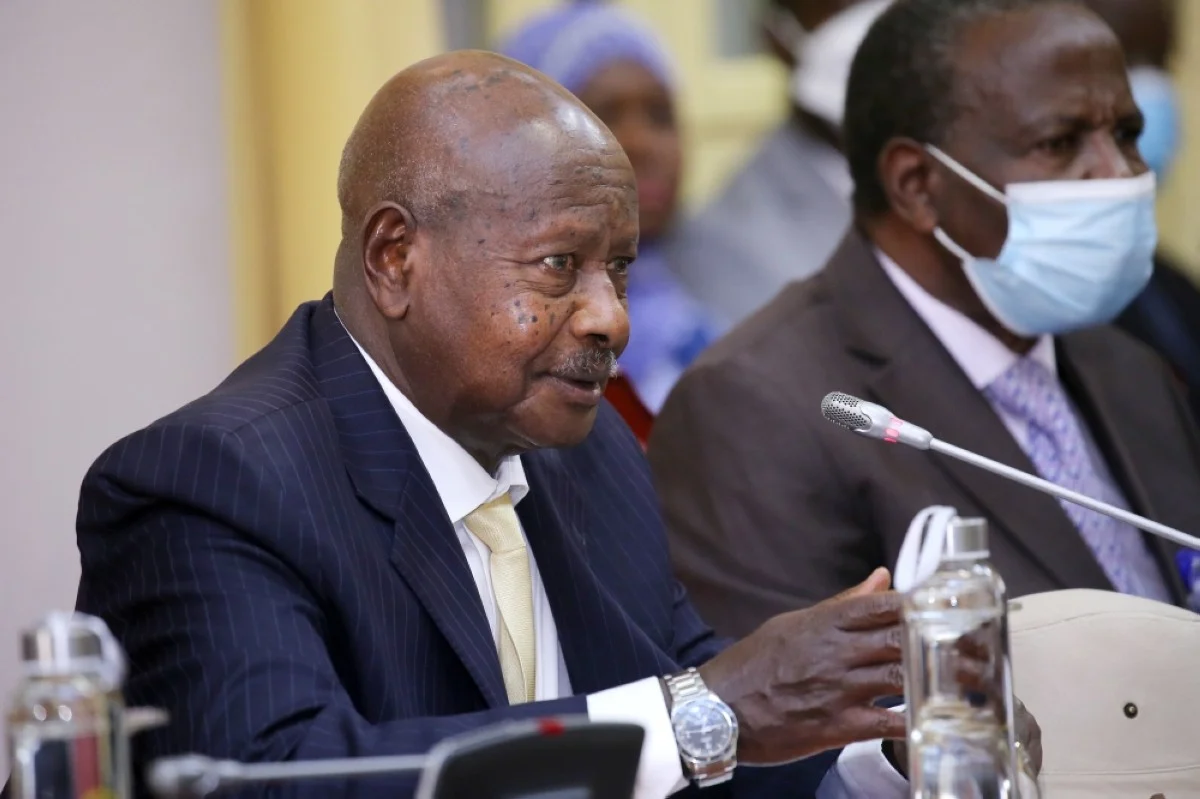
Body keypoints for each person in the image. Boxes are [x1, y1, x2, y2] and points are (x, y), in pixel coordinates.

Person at [71, 50, 1025, 798]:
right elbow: (281, 776)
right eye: (560, 265)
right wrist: (708, 707)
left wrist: (885, 748)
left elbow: (702, 741)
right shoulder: (208, 483)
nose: (612, 316)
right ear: (396, 257)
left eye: (620, 267)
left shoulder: (586, 448)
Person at [650, 0, 1200, 640]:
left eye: (1126, 135)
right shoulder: (757, 406)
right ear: (916, 184)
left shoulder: (1125, 364)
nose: (1122, 175)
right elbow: (804, 728)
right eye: (1060, 142)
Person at [498, 3, 722, 424]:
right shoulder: (509, 348)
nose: (641, 144)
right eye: (603, 116)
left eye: (659, 116)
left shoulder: (723, 296)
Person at [668, 0, 889, 328]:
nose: (869, 24)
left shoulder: (959, 175)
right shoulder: (724, 236)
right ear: (774, 36)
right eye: (838, 8)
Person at [1089, 0, 1200, 422]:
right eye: (1126, 63)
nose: (1153, 88)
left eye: (1162, 62)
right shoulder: (1049, 298)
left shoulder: (1168, 285)